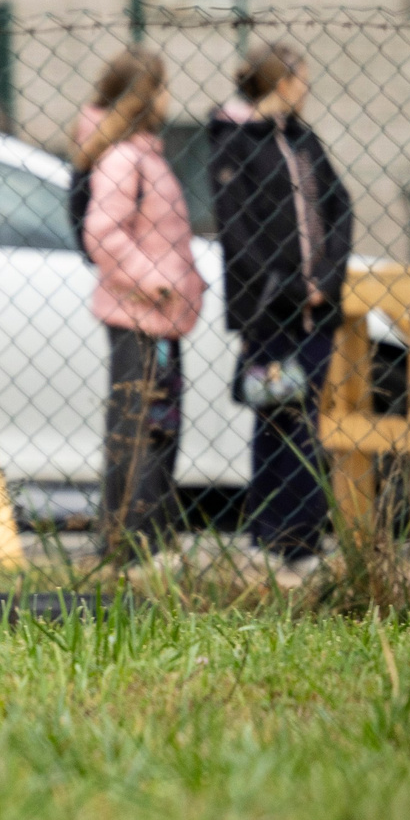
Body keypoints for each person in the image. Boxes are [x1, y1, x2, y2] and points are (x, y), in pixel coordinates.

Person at [210, 43, 353, 582]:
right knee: (280, 416)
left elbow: (340, 204)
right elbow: (237, 232)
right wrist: (291, 286)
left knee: (305, 414)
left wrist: (327, 278)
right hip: (270, 311)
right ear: (282, 80)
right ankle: (280, 535)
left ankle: (295, 534)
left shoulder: (301, 138)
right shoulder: (235, 144)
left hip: (319, 311)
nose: (307, 87)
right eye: (302, 77)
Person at [74, 48, 204, 562]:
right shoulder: (126, 159)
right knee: (141, 426)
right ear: (145, 96)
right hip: (140, 317)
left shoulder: (146, 154)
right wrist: (155, 282)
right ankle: (128, 541)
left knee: (160, 424)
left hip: (162, 319)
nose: (170, 97)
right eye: (164, 86)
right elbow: (102, 233)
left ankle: (149, 534)